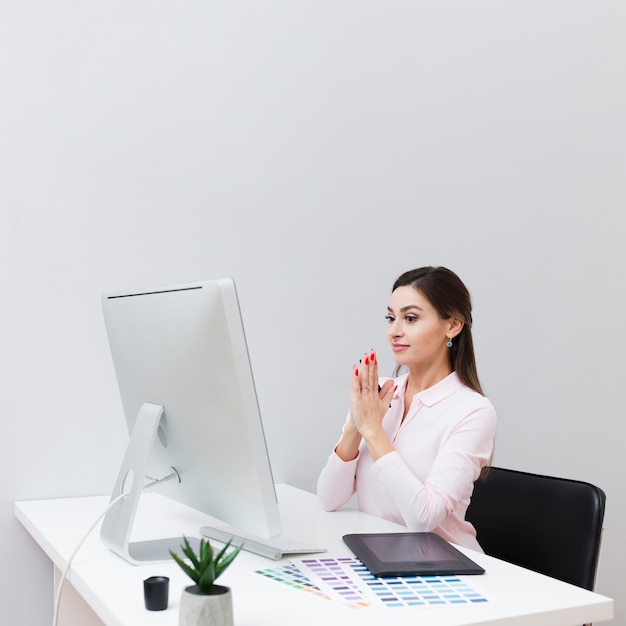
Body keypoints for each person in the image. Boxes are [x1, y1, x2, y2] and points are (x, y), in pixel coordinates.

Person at [316, 266, 497, 552]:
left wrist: (373, 431)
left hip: (446, 571)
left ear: (452, 326)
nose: (393, 332)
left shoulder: (473, 411)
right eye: (391, 318)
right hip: (380, 557)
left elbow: (422, 518)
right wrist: (355, 426)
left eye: (410, 318)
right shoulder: (382, 393)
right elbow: (328, 498)